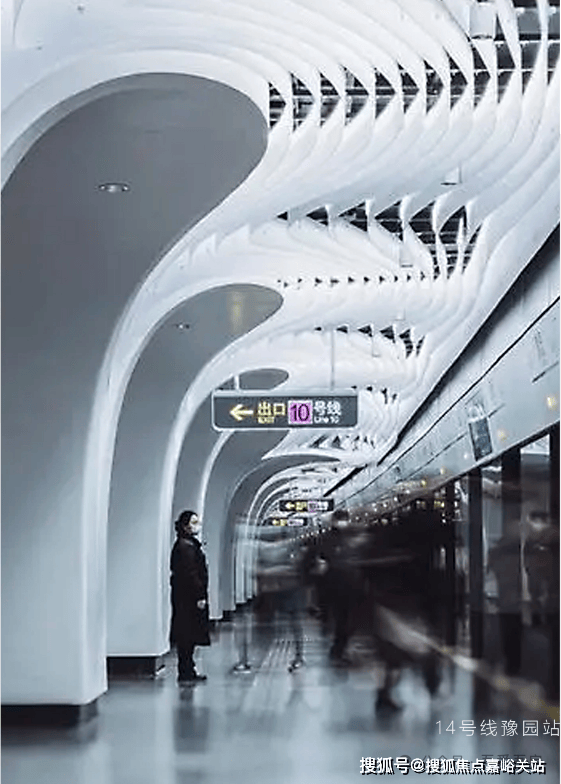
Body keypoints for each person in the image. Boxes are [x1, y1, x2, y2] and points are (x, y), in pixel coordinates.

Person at [170, 510, 210, 683]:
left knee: (187, 634)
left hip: (183, 597)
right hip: (188, 598)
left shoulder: (186, 544)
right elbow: (191, 573)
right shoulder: (186, 546)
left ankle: (188, 669)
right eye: (193, 523)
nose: (197, 526)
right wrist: (199, 595)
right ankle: (186, 671)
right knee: (188, 634)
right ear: (185, 526)